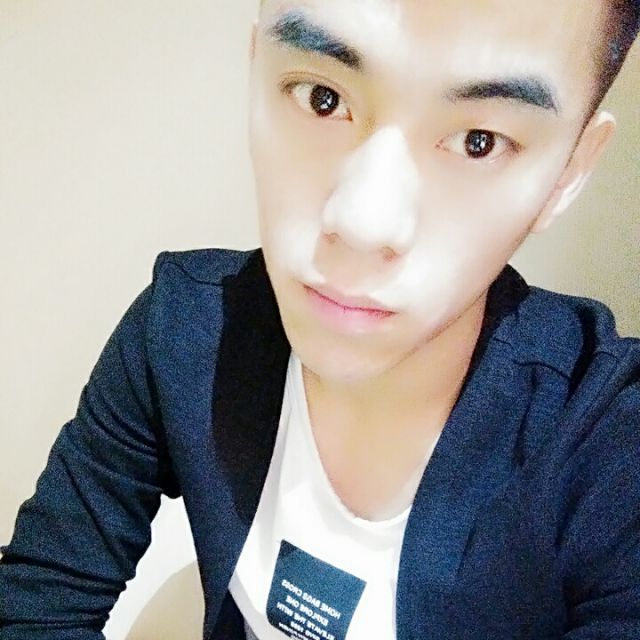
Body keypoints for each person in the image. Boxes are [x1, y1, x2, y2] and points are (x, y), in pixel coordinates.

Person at [1, 1, 639, 638]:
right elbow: (40, 600)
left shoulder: (611, 446)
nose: (362, 223)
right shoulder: (181, 331)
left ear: (568, 173)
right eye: (322, 98)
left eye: (480, 142)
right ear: (256, 73)